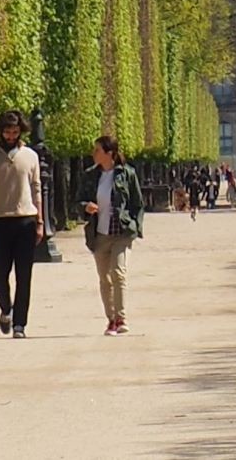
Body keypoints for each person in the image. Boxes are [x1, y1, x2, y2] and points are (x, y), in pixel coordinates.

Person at [0, 109, 44, 339]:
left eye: (15, 132)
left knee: (24, 275)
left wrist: (40, 221)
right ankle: (6, 306)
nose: (11, 136)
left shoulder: (31, 156)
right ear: (0, 131)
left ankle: (20, 324)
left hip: (25, 219)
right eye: (7, 131)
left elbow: (36, 189)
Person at [79, 134, 146, 336]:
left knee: (118, 272)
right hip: (99, 233)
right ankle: (111, 319)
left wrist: (135, 226)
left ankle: (121, 317)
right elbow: (79, 200)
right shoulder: (90, 175)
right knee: (104, 279)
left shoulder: (127, 174)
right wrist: (85, 206)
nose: (94, 153)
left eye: (97, 150)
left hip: (121, 232)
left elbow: (138, 203)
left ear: (109, 153)